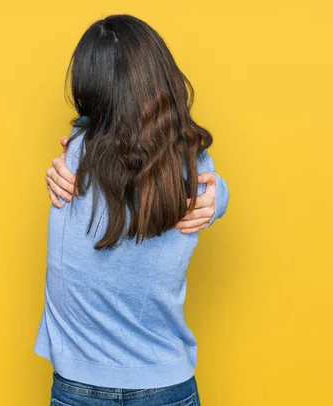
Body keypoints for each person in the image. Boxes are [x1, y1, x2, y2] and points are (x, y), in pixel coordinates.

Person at [34, 14, 230, 406]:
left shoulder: (75, 153)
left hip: (78, 385)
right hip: (166, 381)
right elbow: (209, 185)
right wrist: (219, 198)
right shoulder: (194, 167)